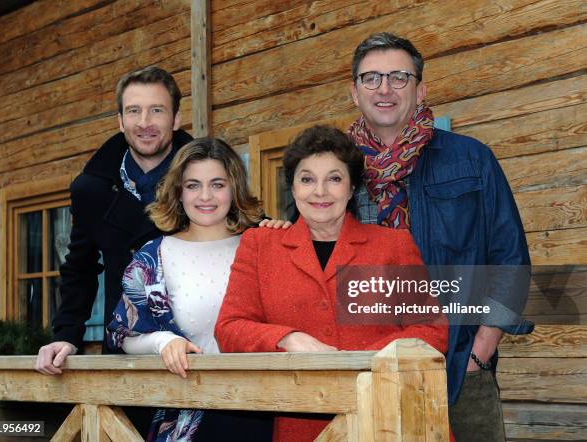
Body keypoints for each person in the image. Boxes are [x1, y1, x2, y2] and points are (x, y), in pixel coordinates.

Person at [347, 33, 532, 441]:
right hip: (363, 367)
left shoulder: (471, 158)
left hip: (459, 369)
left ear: (420, 89)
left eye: (399, 77)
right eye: (371, 78)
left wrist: (479, 351)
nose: (385, 89)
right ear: (355, 92)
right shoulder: (335, 169)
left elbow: (511, 260)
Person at [215, 125, 448, 442]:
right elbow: (229, 327)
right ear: (293, 188)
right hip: (303, 424)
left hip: (391, 417)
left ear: (352, 187)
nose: (320, 191)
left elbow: (431, 331)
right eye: (307, 179)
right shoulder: (260, 245)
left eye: (334, 178)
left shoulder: (392, 246)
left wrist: (354, 361)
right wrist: (288, 338)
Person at [34, 66, 192, 434]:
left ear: (176, 117)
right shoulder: (91, 189)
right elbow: (81, 268)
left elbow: (242, 232)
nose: (145, 122)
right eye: (134, 111)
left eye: (157, 110)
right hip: (129, 351)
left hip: (198, 349)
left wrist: (269, 225)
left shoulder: (205, 176)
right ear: (120, 121)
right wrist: (66, 334)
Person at [106, 137, 272, 441]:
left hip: (265, 414)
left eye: (218, 184)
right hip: (190, 419)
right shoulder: (152, 257)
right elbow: (122, 334)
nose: (205, 196)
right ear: (178, 191)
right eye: (193, 185)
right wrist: (163, 341)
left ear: (234, 188)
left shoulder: (263, 246)